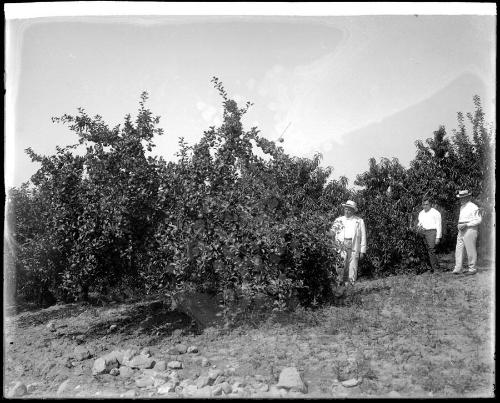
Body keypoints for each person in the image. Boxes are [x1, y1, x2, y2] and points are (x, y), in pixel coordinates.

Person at [331, 200, 367, 286]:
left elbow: (363, 236)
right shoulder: (339, 220)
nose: (347, 211)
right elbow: (332, 233)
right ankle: (339, 286)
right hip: (341, 247)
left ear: (353, 211)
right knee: (340, 267)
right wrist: (333, 245)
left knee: (352, 266)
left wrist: (362, 251)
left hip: (354, 246)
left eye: (349, 210)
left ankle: (351, 286)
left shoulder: (359, 221)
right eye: (346, 209)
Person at [452, 190, 482, 275]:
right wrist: (459, 225)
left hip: (470, 229)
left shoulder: (474, 207)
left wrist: (467, 224)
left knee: (470, 249)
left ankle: (472, 269)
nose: (461, 199)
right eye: (460, 198)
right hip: (461, 229)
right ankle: (458, 268)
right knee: (459, 248)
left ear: (468, 197)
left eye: (463, 198)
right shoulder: (462, 207)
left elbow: (479, 220)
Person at [417, 197, 442, 272]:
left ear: (430, 204)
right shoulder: (421, 213)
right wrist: (418, 228)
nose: (425, 206)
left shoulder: (435, 213)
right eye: (423, 205)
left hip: (432, 232)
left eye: (427, 204)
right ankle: (430, 267)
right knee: (426, 250)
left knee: (431, 250)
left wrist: (438, 237)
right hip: (423, 232)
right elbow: (420, 223)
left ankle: (436, 269)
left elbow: (439, 225)